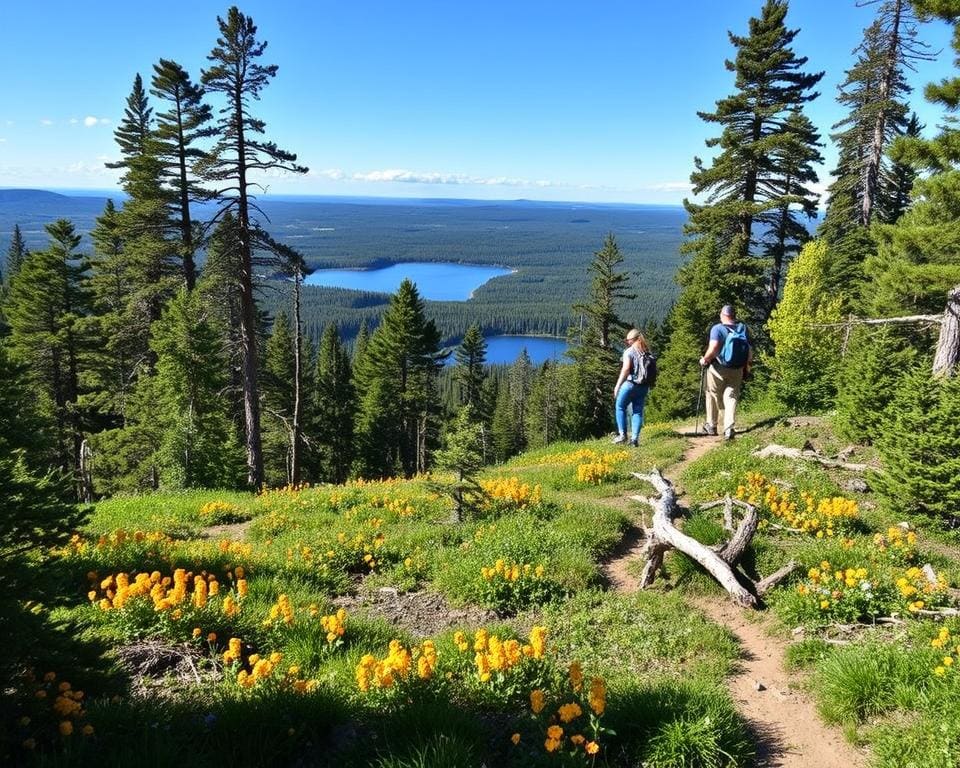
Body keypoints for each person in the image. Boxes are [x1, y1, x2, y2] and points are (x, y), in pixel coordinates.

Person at [698, 305, 752, 440]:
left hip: (718, 368)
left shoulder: (717, 329)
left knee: (712, 393)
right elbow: (749, 351)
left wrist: (705, 359)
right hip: (737, 368)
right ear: (734, 315)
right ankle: (729, 428)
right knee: (731, 397)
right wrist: (747, 367)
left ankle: (712, 425)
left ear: (723, 315)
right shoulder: (742, 329)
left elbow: (714, 348)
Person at [612, 328, 652, 446]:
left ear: (633, 340)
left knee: (620, 407)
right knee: (638, 411)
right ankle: (634, 439)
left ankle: (622, 435)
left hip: (630, 385)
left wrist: (618, 385)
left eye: (628, 340)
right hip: (643, 387)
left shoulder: (629, 351)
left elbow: (626, 369)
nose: (627, 342)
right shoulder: (647, 352)